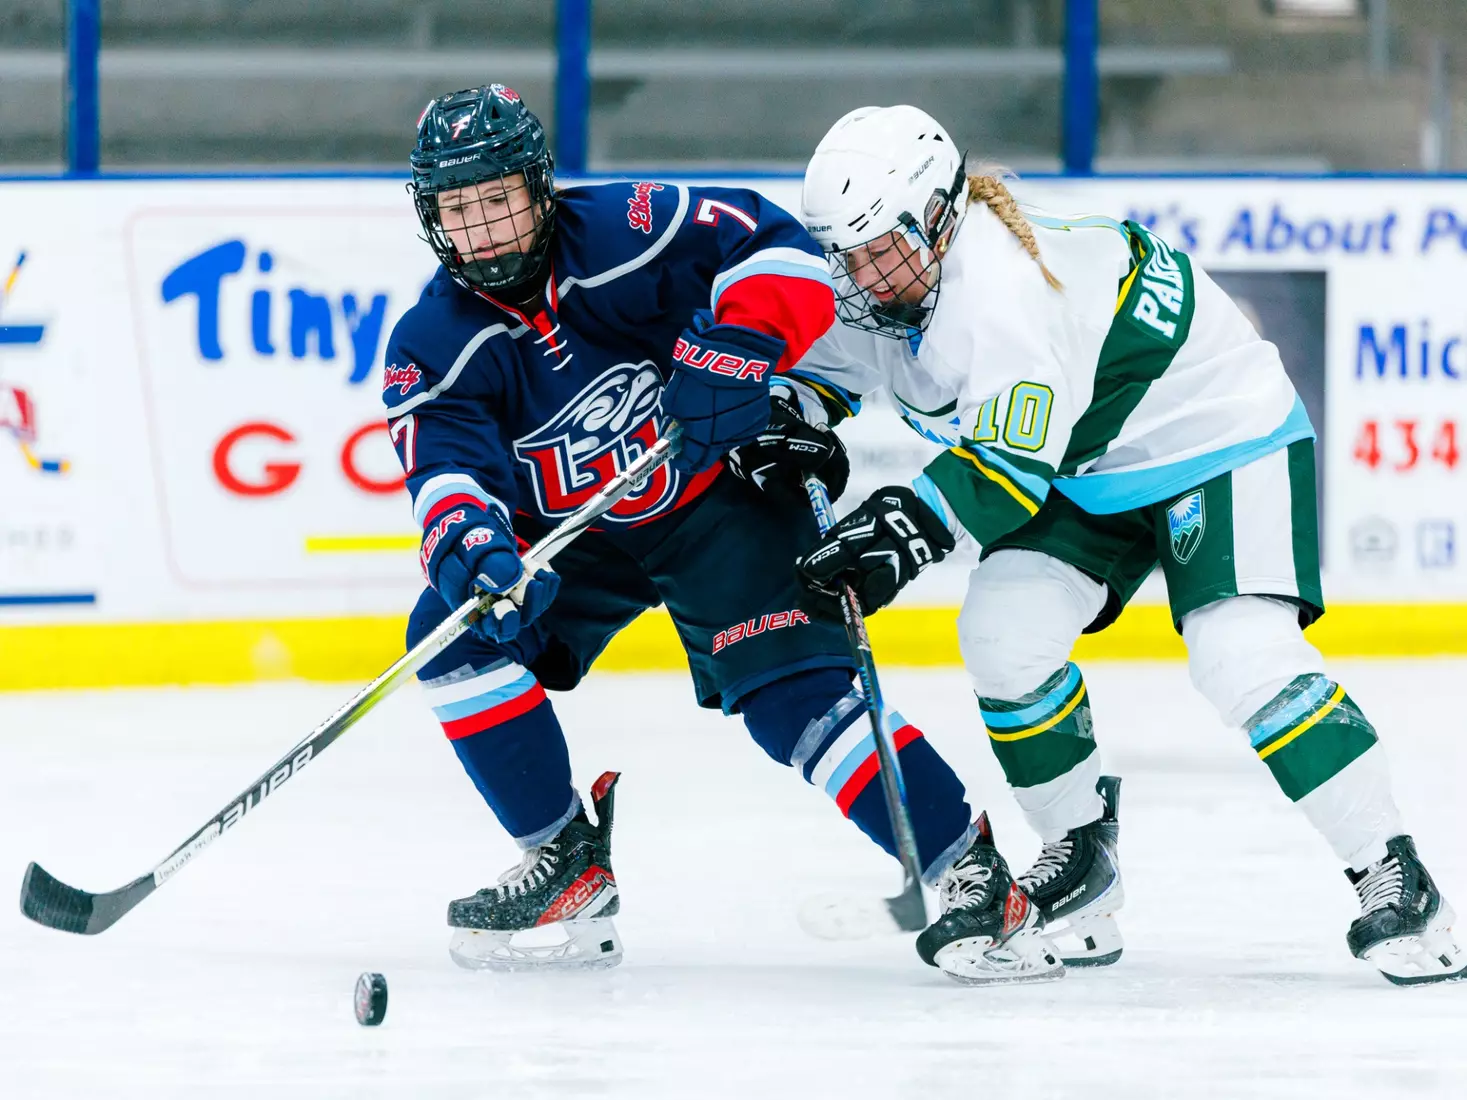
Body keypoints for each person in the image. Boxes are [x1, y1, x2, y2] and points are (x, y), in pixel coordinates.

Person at [381, 85, 1058, 982]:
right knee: (450, 635)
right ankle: (564, 863)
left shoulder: (632, 227)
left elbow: (778, 249)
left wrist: (736, 344)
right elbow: (447, 471)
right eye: (458, 212)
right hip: (583, 532)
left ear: (538, 188)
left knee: (798, 706)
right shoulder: (431, 342)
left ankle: (971, 875)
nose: (485, 232)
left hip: (717, 497)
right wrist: (474, 549)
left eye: (498, 200)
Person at [788, 103, 1465, 986]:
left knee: (1239, 652)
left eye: (879, 249)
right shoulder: (895, 276)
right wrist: (784, 421)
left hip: (1217, 435)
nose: (863, 276)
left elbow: (998, 475)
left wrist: (896, 532)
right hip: (1088, 466)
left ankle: (1394, 872)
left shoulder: (1004, 290)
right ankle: (1081, 860)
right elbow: (825, 373)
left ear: (940, 215)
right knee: (1001, 637)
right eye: (847, 255)